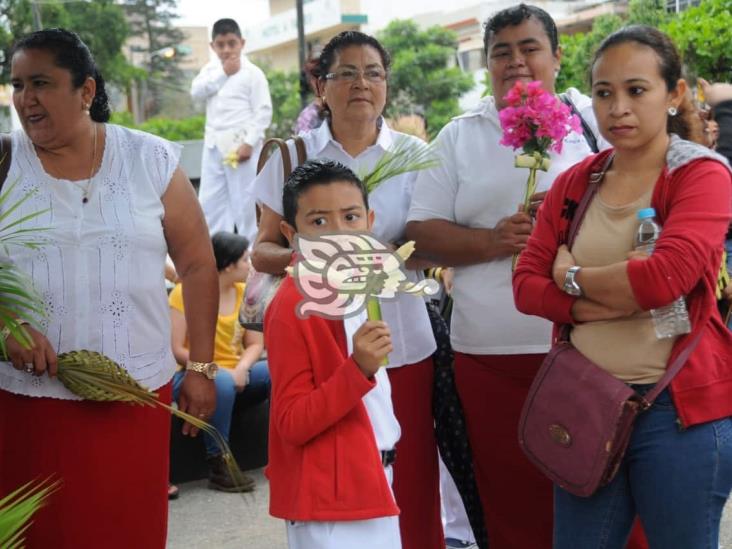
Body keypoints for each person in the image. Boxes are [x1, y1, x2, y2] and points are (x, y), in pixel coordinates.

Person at [513, 25, 732, 548]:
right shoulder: (575, 182)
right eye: (604, 93)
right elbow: (524, 286)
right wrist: (597, 306)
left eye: (637, 90)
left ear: (673, 94)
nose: (618, 108)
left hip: (679, 416)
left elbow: (664, 279)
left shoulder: (702, 175)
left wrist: (570, 279)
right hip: (589, 404)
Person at [0, 28, 218, 548]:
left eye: (41, 83)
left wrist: (203, 368)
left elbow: (198, 266)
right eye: (17, 84)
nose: (25, 99)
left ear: (86, 91)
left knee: (128, 531)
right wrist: (6, 326)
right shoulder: (3, 163)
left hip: (134, 398)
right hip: (30, 405)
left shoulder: (153, 161)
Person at [405, 5, 609, 547]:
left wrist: (569, 223)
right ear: (487, 64)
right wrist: (495, 239)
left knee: (599, 496)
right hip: (488, 357)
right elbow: (419, 239)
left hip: (587, 350)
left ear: (558, 57)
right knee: (512, 504)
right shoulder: (458, 137)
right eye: (501, 52)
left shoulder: (595, 124)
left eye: (529, 48)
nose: (515, 62)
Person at [253, 31, 443, 549]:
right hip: (326, 340)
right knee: (343, 470)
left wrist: (396, 257)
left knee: (409, 473)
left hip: (401, 339)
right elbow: (262, 250)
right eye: (347, 73)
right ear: (321, 85)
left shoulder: (416, 154)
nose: (362, 84)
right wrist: (329, 261)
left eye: (374, 73)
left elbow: (431, 245)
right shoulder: (293, 156)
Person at [265, 159, 401, 549]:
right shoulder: (293, 304)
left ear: (370, 220)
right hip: (334, 497)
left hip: (365, 479)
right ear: (291, 233)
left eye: (351, 217)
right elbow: (291, 421)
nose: (339, 233)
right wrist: (357, 368)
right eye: (319, 222)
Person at [169, 231, 270, 493]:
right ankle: (219, 462)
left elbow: (256, 343)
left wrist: (241, 368)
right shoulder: (183, 293)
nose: (250, 266)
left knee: (275, 369)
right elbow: (176, 348)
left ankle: (284, 450)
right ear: (228, 265)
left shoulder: (248, 293)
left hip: (236, 374)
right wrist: (220, 370)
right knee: (221, 380)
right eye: (245, 260)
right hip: (194, 374)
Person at [191, 18, 272, 243]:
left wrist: (250, 142)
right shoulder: (210, 70)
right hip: (214, 146)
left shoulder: (253, 73)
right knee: (210, 202)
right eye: (221, 44)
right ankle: (220, 260)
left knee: (246, 204)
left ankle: (251, 261)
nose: (226, 49)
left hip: (243, 147)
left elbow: (263, 111)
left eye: (231, 43)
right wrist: (223, 74)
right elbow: (196, 93)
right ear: (212, 46)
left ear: (241, 43)